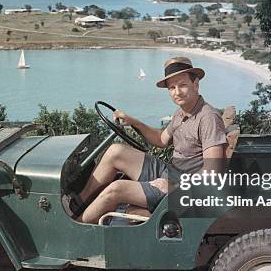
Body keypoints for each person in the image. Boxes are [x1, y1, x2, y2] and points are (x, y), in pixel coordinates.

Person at [64, 56, 228, 224]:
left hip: (186, 188)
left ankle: (73, 227)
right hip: (172, 172)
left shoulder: (208, 117)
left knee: (116, 189)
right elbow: (161, 140)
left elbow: (213, 172)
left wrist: (173, 186)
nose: (177, 92)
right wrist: (133, 121)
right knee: (115, 151)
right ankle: (76, 205)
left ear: (196, 84)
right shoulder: (182, 113)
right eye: (172, 87)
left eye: (183, 85)